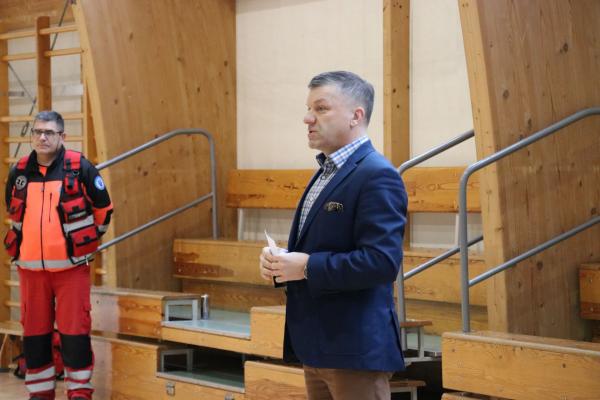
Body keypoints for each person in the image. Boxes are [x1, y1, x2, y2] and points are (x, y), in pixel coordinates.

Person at [259, 71, 407, 400]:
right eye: (308, 109)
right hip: (318, 345)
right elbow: (319, 248)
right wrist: (281, 263)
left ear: (356, 115)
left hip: (353, 348)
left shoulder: (377, 174)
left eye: (321, 108)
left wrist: (306, 266)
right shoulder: (325, 172)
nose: (308, 118)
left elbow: (381, 262)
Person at [4, 111, 113, 400]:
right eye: (38, 131)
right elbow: (12, 212)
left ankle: (79, 393)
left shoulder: (80, 168)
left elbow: (104, 211)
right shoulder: (19, 173)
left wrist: (84, 243)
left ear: (62, 136)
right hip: (30, 272)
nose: (42, 137)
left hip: (71, 271)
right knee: (35, 337)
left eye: (49, 132)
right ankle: (40, 395)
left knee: (75, 335)